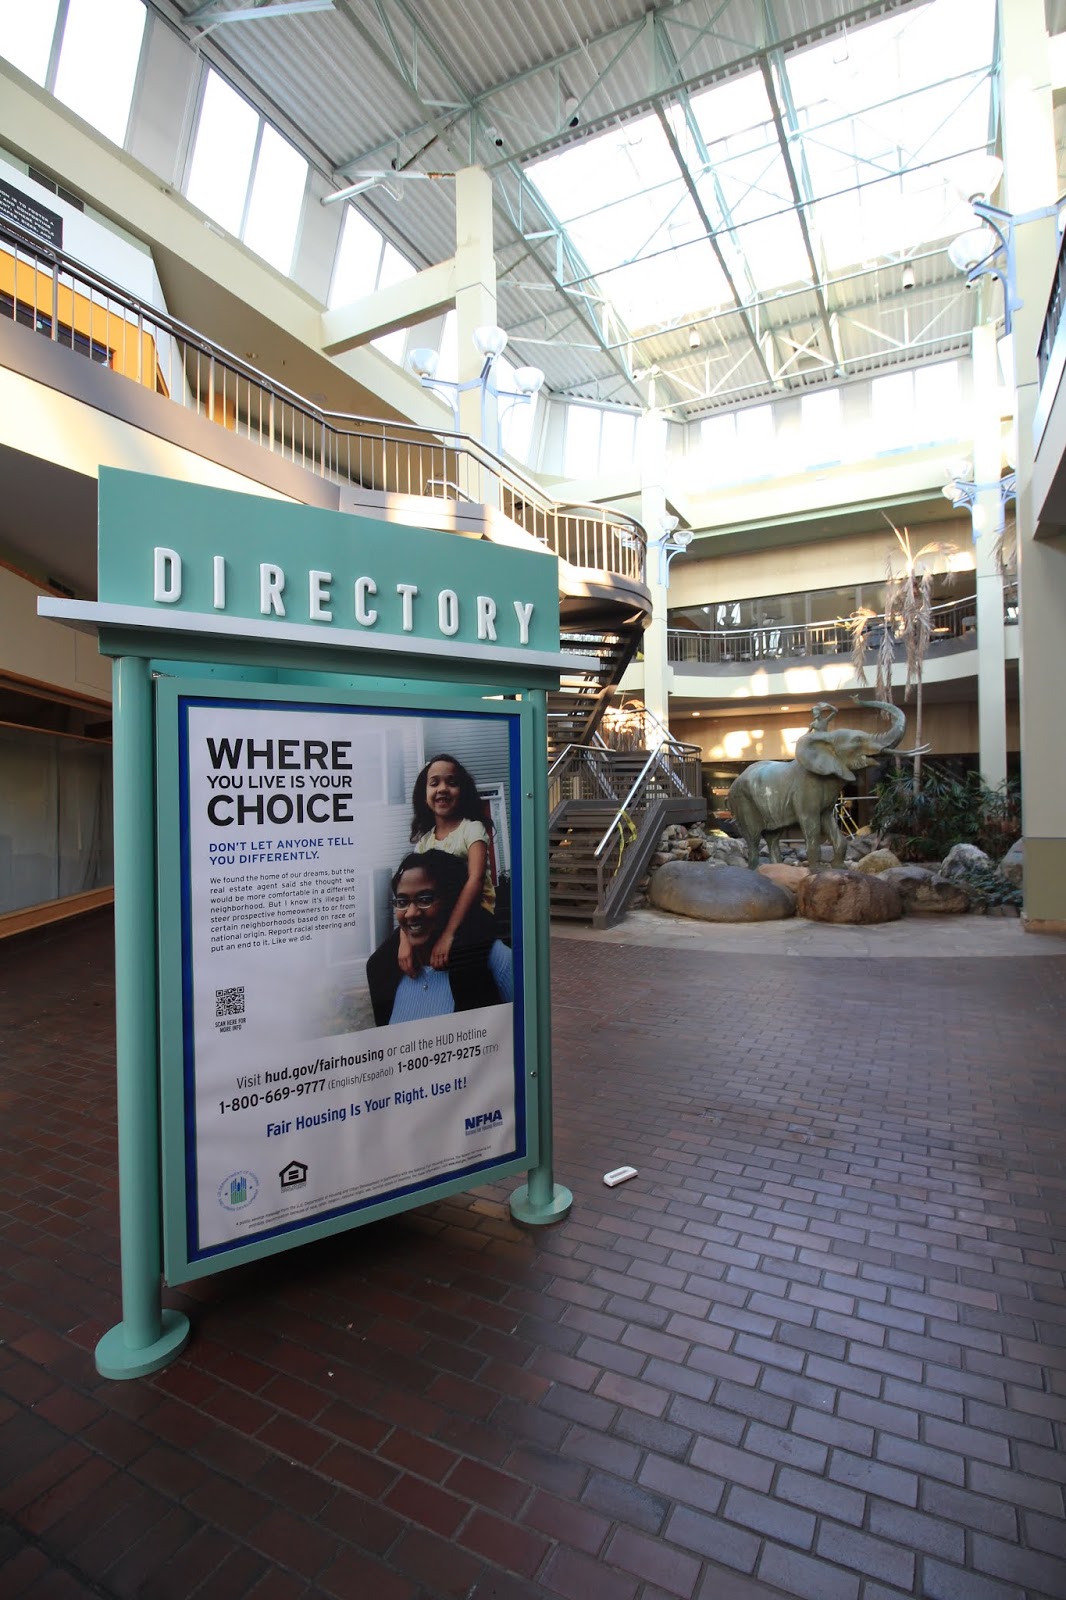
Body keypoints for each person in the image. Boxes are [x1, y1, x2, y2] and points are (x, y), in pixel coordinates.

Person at [366, 850, 513, 1027]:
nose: (411, 913)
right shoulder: (385, 971)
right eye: (402, 902)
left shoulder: (494, 959)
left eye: (425, 899)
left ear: (451, 901)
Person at [406, 754, 494, 975]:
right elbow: (409, 893)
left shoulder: (471, 829)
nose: (443, 789)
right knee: (378, 962)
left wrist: (448, 934)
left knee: (460, 964)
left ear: (462, 792)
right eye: (434, 783)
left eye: (451, 782)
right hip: (438, 917)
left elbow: (475, 880)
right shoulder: (424, 843)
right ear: (424, 794)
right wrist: (404, 940)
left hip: (475, 914)